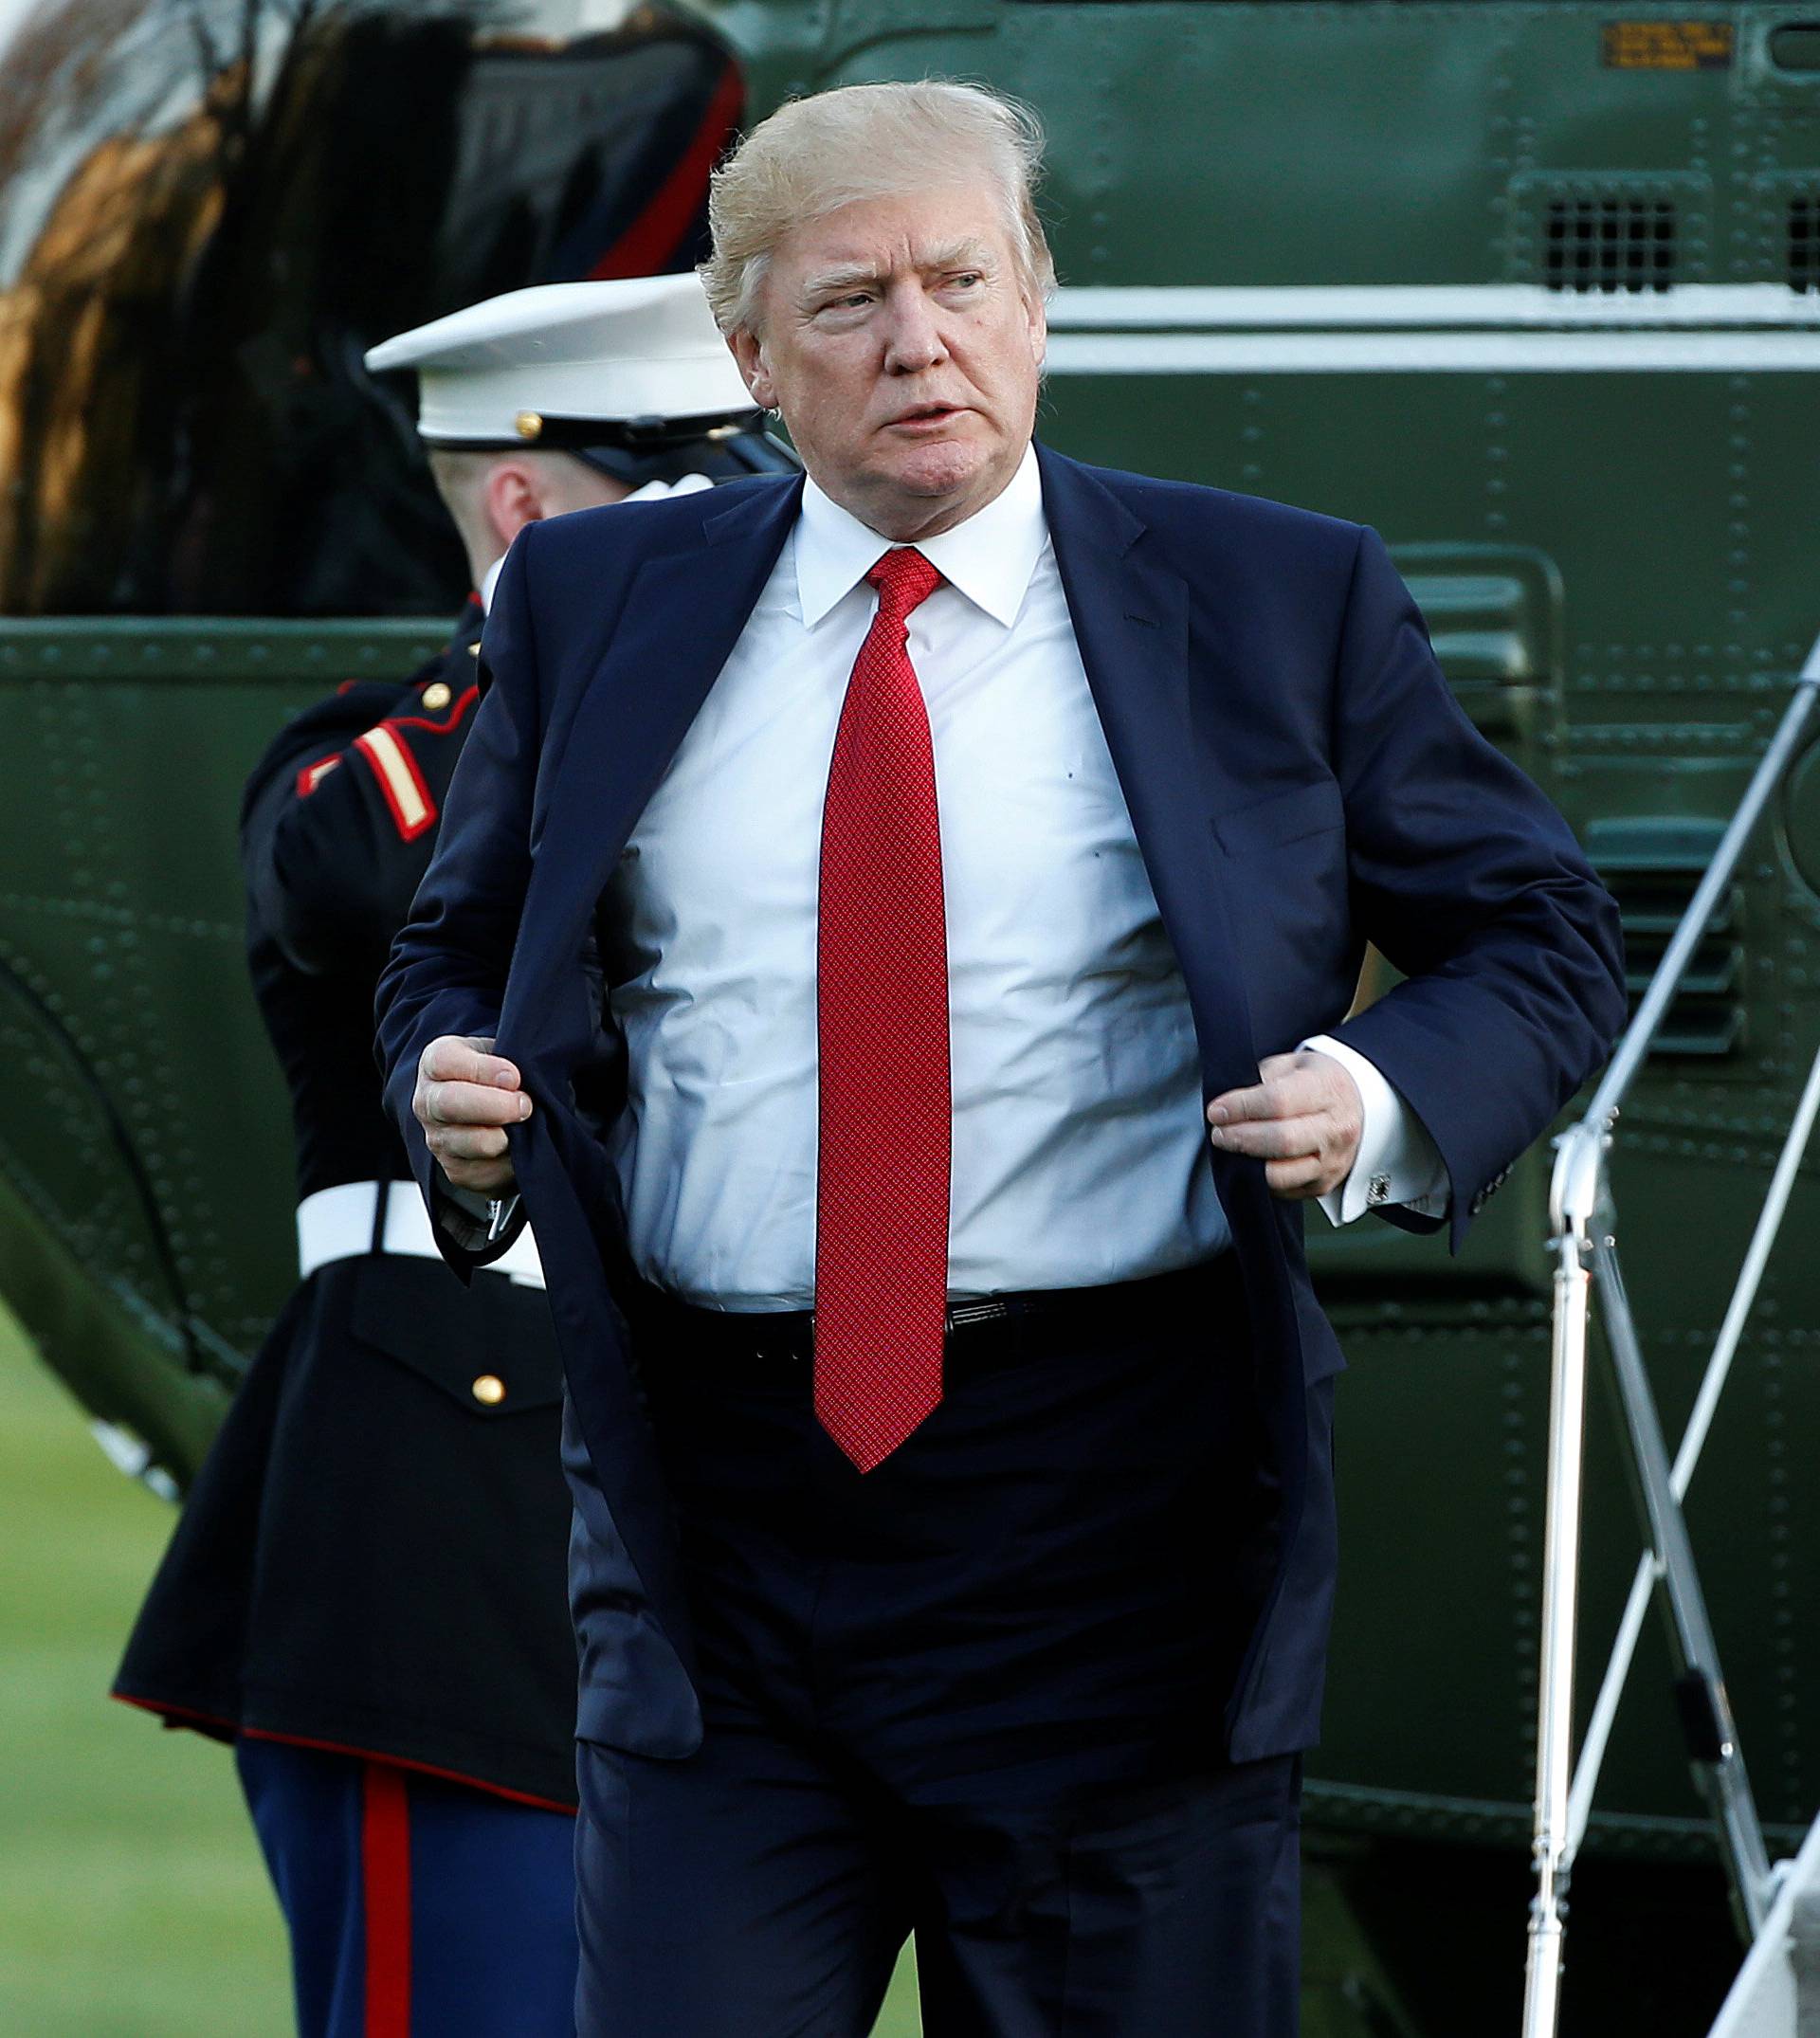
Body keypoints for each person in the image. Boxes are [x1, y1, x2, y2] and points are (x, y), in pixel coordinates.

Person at [376, 82, 1627, 2038]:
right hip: (711, 1541)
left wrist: (1379, 1096)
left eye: (963, 279)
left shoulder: (1275, 599)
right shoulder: (593, 601)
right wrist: (451, 1100)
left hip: (1115, 1535)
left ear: (1038, 297)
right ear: (748, 348)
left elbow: (1541, 933)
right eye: (853, 297)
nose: (919, 341)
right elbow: (454, 950)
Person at [114, 275, 795, 2038]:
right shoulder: (388, 740)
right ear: (524, 504)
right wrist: (571, 636)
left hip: (724, 1510)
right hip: (454, 1514)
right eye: (685, 490)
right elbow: (348, 877)